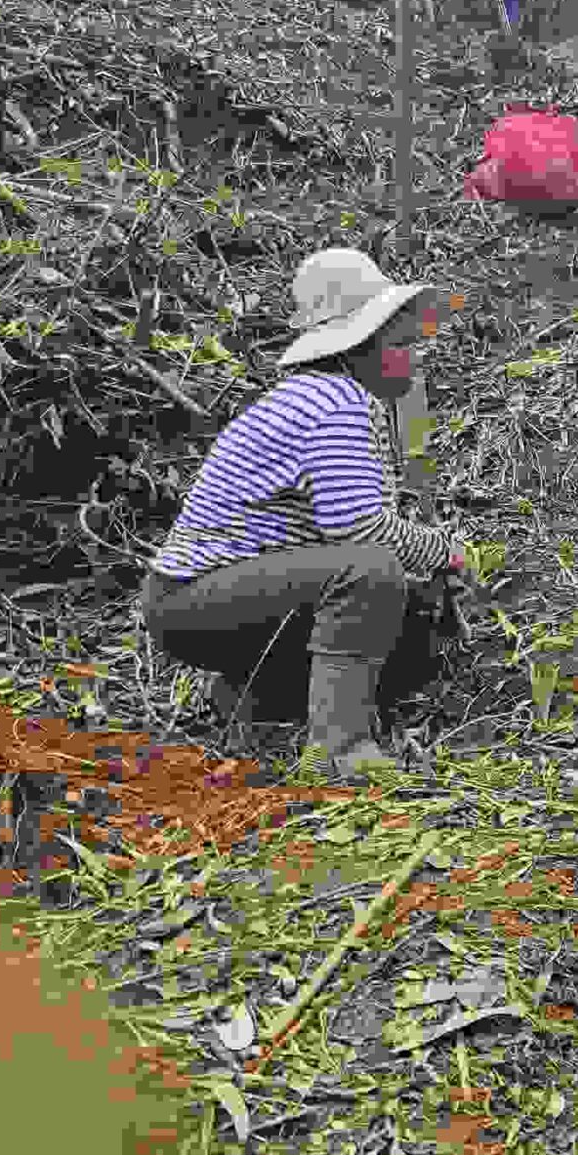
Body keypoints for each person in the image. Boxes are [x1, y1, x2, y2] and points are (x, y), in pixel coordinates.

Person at [141, 248, 466, 780]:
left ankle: (251, 698)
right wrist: (441, 552)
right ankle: (339, 751)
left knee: (401, 628)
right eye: (402, 344)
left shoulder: (323, 396)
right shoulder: (333, 403)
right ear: (357, 347)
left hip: (212, 598)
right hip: (192, 599)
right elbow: (360, 531)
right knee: (370, 572)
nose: (414, 357)